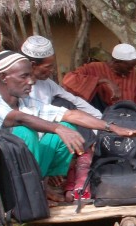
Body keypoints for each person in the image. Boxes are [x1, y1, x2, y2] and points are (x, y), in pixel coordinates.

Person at [0, 51, 136, 200]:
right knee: (26, 132)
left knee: (66, 129)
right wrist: (58, 128)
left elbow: (70, 114)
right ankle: (27, 193)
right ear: (3, 77)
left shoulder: (27, 103)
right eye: (24, 76)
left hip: (18, 172)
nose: (31, 82)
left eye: (30, 75)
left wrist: (114, 128)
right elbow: (19, 118)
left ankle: (38, 187)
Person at [20, 35, 102, 202]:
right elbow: (31, 126)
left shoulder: (46, 83)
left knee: (66, 107)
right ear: (33, 65)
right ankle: (45, 182)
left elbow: (74, 101)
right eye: (48, 67)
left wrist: (100, 119)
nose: (51, 71)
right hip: (27, 146)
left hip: (47, 138)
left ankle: (60, 175)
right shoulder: (18, 86)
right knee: (63, 127)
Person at [62, 43, 136, 133]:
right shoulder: (94, 68)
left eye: (133, 67)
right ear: (116, 62)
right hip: (102, 118)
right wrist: (104, 81)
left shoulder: (131, 74)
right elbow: (69, 80)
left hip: (126, 118)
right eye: (129, 67)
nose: (131, 70)